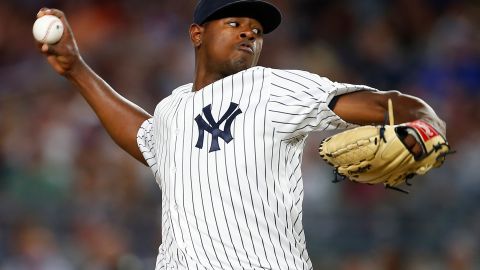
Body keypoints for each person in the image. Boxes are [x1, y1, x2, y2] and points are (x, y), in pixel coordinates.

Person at [36, 0, 446, 269]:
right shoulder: (171, 109)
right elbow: (145, 138)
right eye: (235, 23)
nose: (250, 33)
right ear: (197, 34)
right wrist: (76, 69)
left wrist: (425, 124)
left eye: (257, 30)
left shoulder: (271, 88)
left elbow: (383, 104)